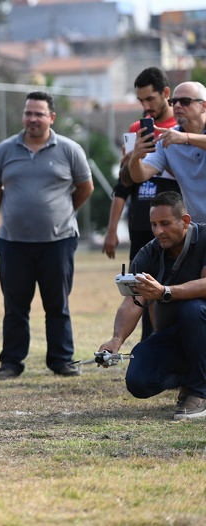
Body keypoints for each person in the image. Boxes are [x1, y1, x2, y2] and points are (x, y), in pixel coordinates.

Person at [0, 90, 94, 380]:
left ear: (51, 117)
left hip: (58, 241)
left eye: (39, 114)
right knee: (15, 307)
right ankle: (11, 363)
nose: (32, 119)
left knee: (57, 305)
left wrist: (61, 212)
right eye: (28, 113)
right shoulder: (3, 150)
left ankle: (61, 361)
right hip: (13, 242)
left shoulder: (70, 149)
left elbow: (85, 187)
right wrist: (15, 212)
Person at [97, 191, 206, 420]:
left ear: (185, 221)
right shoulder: (149, 251)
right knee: (139, 381)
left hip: (201, 327)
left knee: (192, 309)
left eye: (165, 223)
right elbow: (133, 301)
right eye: (154, 224)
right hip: (175, 335)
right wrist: (116, 340)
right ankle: (189, 378)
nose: (158, 231)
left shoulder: (204, 238)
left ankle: (200, 393)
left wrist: (165, 292)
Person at [103, 67, 180, 340]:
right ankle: (150, 346)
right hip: (140, 224)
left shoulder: (182, 130)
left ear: (166, 94)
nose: (146, 107)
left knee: (174, 287)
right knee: (142, 290)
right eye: (140, 101)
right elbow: (124, 183)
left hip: (176, 223)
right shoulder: (137, 130)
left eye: (150, 99)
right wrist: (131, 160)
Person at [128, 81, 206, 222]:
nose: (177, 106)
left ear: (203, 106)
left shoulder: (178, 137)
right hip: (197, 227)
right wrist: (135, 157)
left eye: (185, 101)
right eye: (173, 101)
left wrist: (186, 138)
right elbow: (140, 175)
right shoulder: (169, 138)